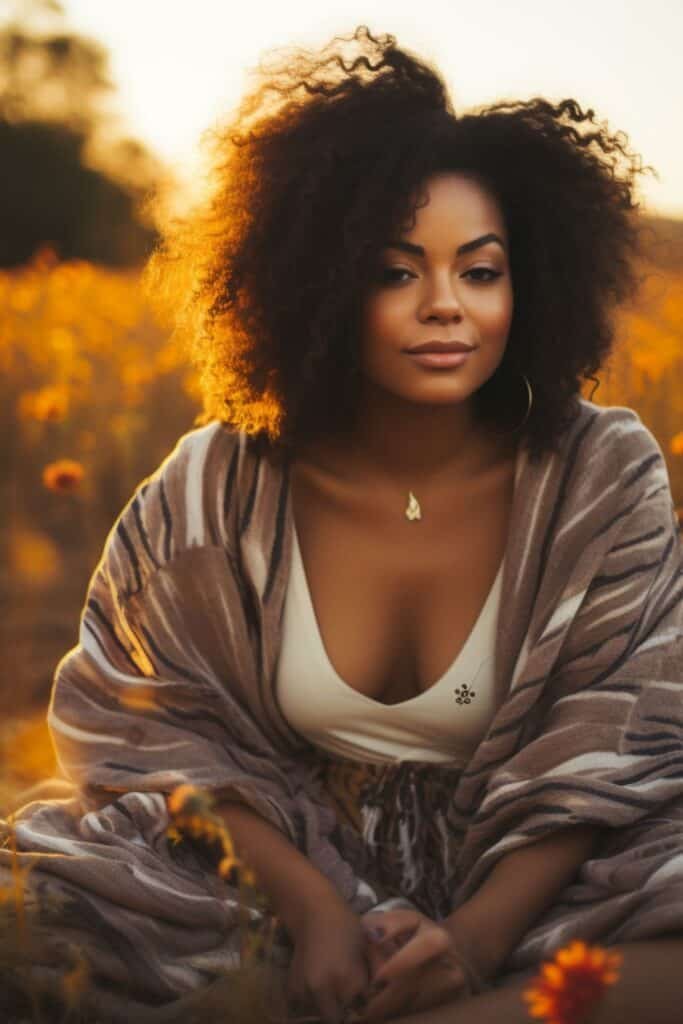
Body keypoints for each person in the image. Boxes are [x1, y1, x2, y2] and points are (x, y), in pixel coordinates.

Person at [2, 25, 682, 1024]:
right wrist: (318, 911)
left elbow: (610, 741)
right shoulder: (217, 486)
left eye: (479, 271)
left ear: (527, 282)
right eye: (396, 271)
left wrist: (472, 936)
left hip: (540, 890)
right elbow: (165, 733)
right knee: (38, 914)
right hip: (270, 885)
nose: (443, 307)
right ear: (316, 283)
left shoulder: (596, 474)